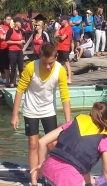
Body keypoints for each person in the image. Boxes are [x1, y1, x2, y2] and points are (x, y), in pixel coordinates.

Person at [11, 42, 71, 178]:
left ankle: (49, 175)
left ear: (56, 57)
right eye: (44, 63)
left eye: (50, 63)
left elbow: (65, 96)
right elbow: (20, 90)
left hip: (49, 110)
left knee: (51, 144)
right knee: (33, 144)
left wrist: (68, 122)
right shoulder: (31, 67)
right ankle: (34, 180)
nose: (48, 66)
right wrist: (15, 114)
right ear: (40, 57)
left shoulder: (60, 70)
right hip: (31, 109)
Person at [6, 20, 25, 87]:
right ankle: (11, 82)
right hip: (12, 51)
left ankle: (22, 82)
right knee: (13, 67)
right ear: (17, 23)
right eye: (20, 23)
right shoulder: (11, 30)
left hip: (19, 50)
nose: (21, 25)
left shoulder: (21, 31)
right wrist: (17, 42)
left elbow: (21, 40)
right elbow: (7, 41)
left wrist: (22, 42)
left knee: (21, 68)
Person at [55, 17, 73, 84]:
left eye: (61, 21)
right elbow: (55, 35)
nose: (60, 22)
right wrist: (59, 28)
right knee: (58, 63)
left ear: (65, 21)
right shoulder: (61, 28)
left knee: (67, 63)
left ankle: (69, 79)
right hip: (59, 47)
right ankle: (59, 77)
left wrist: (59, 36)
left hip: (65, 48)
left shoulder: (68, 28)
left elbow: (63, 38)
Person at [0, 15, 12, 83]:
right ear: (4, 20)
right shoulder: (1, 27)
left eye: (10, 19)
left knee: (12, 63)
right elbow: (1, 37)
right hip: (3, 48)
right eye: (7, 19)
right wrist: (8, 37)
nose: (9, 21)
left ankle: (11, 79)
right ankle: (6, 79)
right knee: (5, 64)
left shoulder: (11, 27)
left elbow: (14, 36)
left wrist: (6, 36)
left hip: (11, 47)